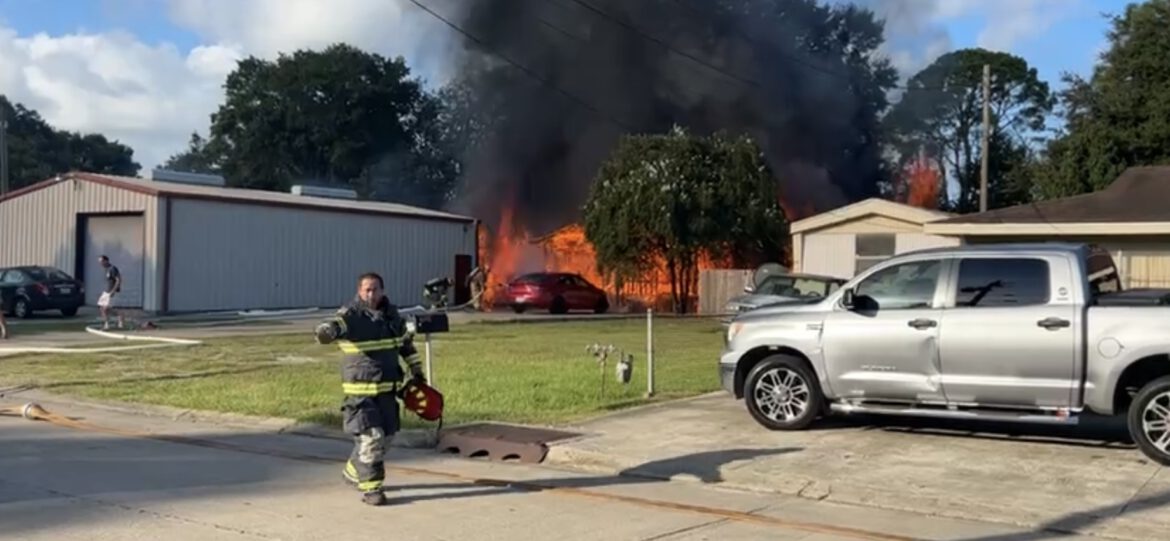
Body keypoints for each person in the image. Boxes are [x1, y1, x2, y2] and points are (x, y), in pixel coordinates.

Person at [314, 272, 425, 506]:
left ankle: (353, 472)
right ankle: (372, 490)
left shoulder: (392, 318)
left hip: (387, 392)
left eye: (375, 289)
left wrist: (417, 372)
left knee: (386, 438)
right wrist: (326, 331)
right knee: (372, 438)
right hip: (360, 394)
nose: (371, 294)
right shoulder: (352, 315)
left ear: (383, 291)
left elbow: (405, 346)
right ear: (359, 291)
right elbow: (335, 326)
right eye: (366, 289)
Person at [97, 255, 123, 330]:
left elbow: (118, 280)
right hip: (106, 291)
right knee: (101, 307)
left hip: (112, 291)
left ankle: (120, 316)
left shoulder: (112, 268)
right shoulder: (106, 269)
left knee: (106, 308)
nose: (100, 263)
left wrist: (113, 291)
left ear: (106, 261)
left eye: (101, 261)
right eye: (99, 262)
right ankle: (106, 324)